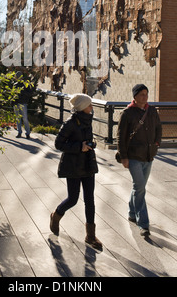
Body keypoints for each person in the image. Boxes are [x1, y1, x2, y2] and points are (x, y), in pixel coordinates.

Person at [50, 93, 102, 251]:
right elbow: (58, 143)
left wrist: (91, 144)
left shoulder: (88, 119)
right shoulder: (71, 123)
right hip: (73, 166)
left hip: (87, 164)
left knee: (90, 200)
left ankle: (90, 236)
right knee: (72, 199)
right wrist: (79, 147)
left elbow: (85, 139)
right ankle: (56, 214)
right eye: (89, 105)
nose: (92, 108)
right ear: (82, 107)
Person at [117, 84, 162, 237]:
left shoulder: (152, 111)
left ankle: (131, 212)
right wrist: (123, 157)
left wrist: (156, 144)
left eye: (146, 94)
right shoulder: (127, 113)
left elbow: (159, 128)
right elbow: (120, 137)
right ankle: (143, 224)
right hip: (134, 156)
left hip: (149, 156)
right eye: (141, 94)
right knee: (140, 187)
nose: (145, 96)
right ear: (135, 96)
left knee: (139, 187)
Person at [14, 71, 32, 139]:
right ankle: (19, 132)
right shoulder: (15, 84)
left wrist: (22, 92)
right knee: (18, 118)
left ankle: (27, 133)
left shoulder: (25, 84)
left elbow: (30, 93)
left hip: (23, 103)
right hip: (16, 103)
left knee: (25, 118)